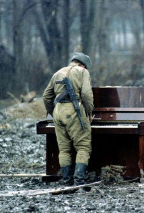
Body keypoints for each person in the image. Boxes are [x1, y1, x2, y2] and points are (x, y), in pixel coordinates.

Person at [43, 52, 94, 186]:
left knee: (64, 149)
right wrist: (88, 114)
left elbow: (46, 97)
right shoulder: (82, 72)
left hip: (58, 111)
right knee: (83, 146)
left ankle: (66, 181)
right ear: (83, 65)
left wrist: (53, 113)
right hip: (74, 110)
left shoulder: (58, 73)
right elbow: (86, 95)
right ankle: (79, 181)